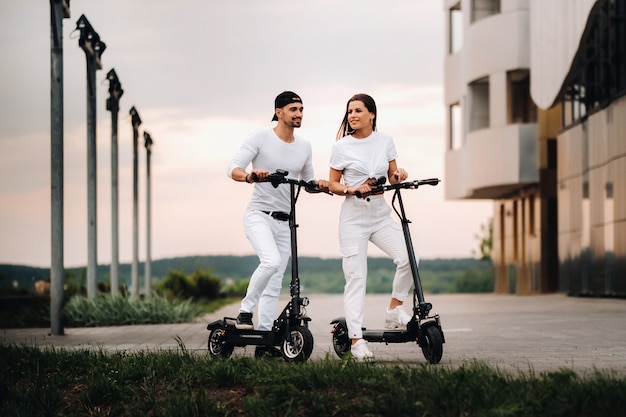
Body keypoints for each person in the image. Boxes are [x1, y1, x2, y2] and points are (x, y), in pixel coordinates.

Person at [227, 91, 328, 357]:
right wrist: (250, 176)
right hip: (259, 215)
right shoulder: (260, 137)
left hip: (286, 223)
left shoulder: (304, 145)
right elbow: (233, 168)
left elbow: (308, 183)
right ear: (279, 111)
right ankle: (246, 310)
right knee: (270, 262)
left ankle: (264, 343)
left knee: (274, 285)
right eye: (293, 109)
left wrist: (320, 186)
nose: (299, 114)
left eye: (302, 110)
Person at [328, 93, 413, 360]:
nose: (352, 116)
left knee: (410, 258)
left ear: (371, 114)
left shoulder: (385, 141)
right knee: (356, 279)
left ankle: (394, 310)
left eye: (358, 111)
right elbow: (333, 184)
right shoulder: (341, 146)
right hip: (353, 217)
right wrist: (352, 188)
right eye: (349, 111)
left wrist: (399, 175)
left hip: (379, 213)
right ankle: (356, 341)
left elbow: (393, 174)